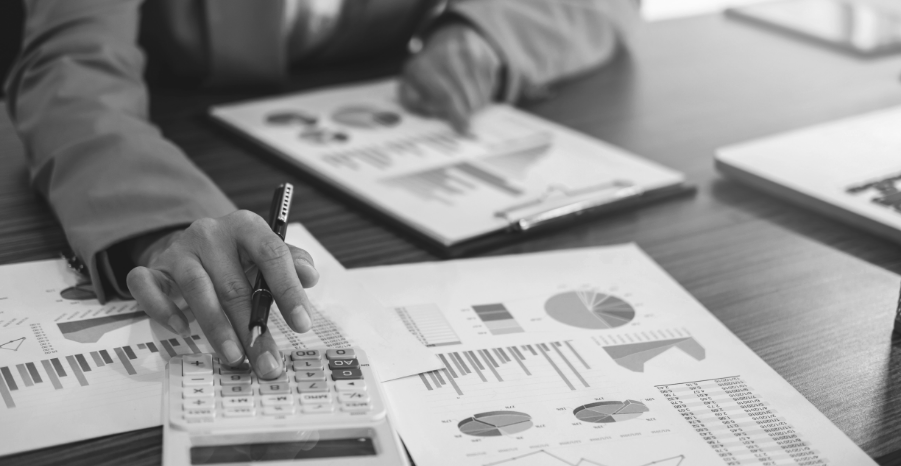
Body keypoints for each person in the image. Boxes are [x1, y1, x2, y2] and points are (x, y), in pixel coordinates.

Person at [5, 0, 639, 379]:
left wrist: (486, 30)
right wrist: (160, 220)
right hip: (178, 130)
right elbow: (74, 65)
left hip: (379, 128)